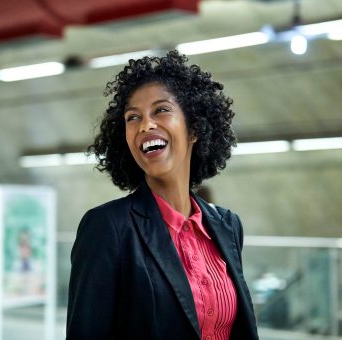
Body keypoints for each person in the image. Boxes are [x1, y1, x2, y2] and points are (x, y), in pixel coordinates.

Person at [66, 50, 258, 340]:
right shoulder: (108, 228)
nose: (145, 125)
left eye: (161, 110)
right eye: (133, 117)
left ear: (194, 128)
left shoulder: (228, 226)